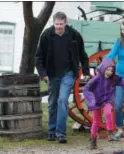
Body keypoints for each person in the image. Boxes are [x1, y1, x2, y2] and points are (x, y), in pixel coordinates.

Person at [35, 11, 90, 143]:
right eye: (56, 24)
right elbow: (38, 57)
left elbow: (83, 54)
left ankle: (61, 133)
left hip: (68, 73)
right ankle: (51, 131)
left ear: (66, 23)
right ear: (53, 23)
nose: (59, 26)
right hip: (52, 74)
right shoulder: (46, 35)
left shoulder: (74, 35)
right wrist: (43, 74)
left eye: (61, 24)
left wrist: (86, 72)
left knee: (62, 100)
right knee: (52, 102)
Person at [83, 58, 124, 149]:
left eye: (111, 70)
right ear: (103, 68)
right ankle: (93, 140)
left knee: (108, 112)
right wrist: (91, 100)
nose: (109, 72)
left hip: (107, 100)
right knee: (96, 122)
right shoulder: (97, 78)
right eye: (107, 70)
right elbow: (86, 88)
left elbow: (121, 81)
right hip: (97, 101)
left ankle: (110, 132)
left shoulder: (114, 78)